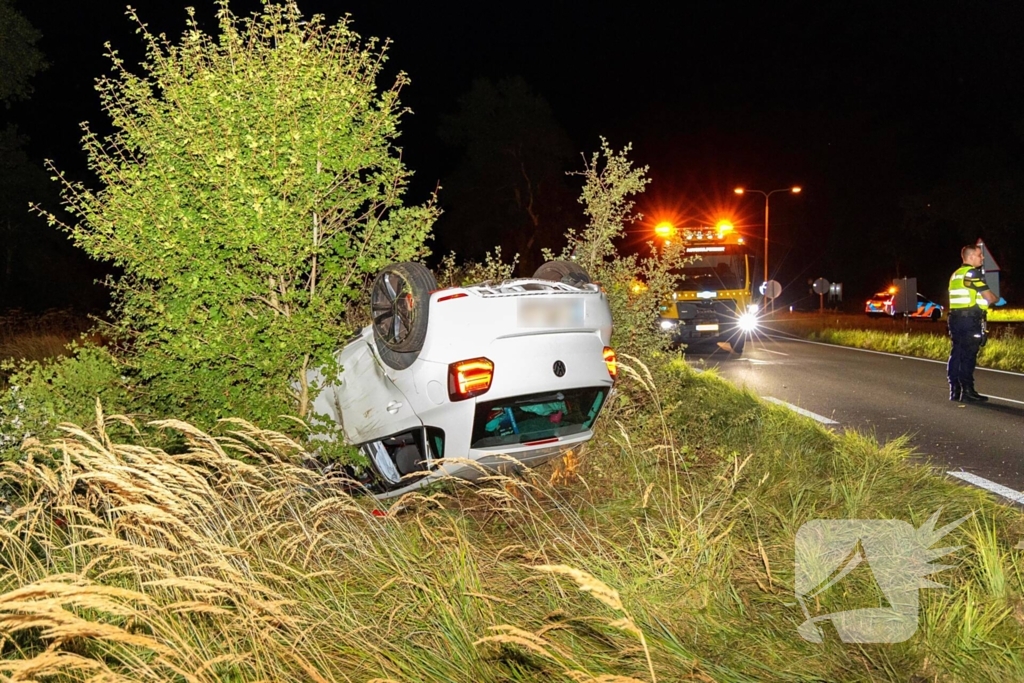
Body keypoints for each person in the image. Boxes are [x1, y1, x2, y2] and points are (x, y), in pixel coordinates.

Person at [947, 244, 1003, 402]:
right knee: (968, 355)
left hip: (955, 318)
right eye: (980, 255)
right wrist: (997, 300)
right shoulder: (972, 273)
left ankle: (955, 390)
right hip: (969, 319)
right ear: (971, 257)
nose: (982, 258)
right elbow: (989, 297)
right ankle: (968, 391)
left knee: (956, 353)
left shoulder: (956, 274)